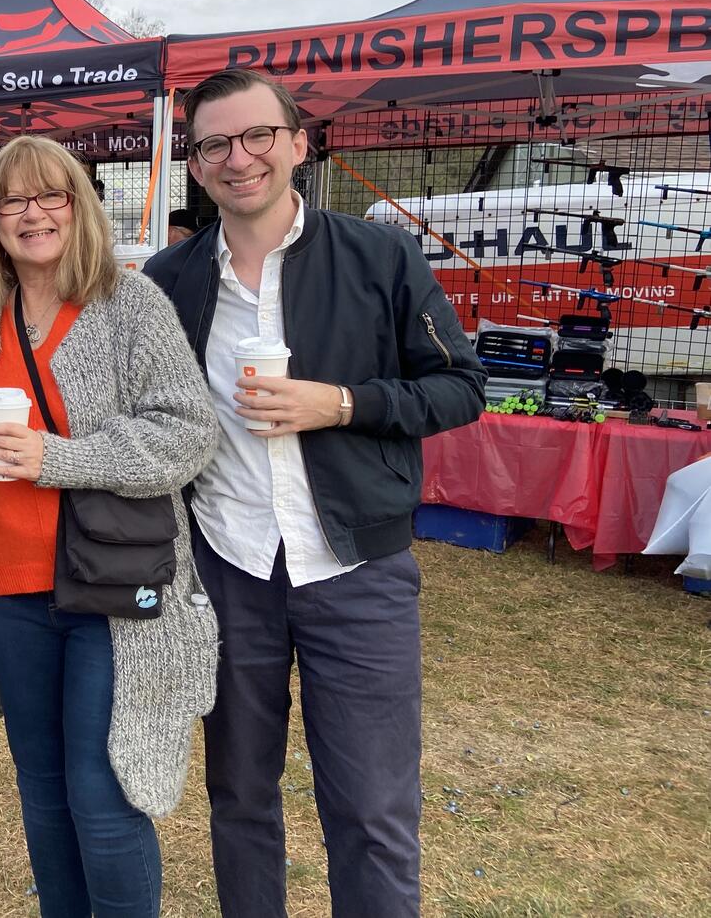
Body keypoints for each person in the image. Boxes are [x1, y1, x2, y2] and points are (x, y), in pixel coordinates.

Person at [143, 68, 486, 918]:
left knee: (372, 812)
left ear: (298, 143)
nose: (239, 157)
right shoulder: (168, 278)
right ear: (196, 164)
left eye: (258, 135)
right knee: (241, 798)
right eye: (216, 143)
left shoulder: (379, 257)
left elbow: (460, 387)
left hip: (357, 570)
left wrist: (339, 403)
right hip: (227, 569)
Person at [0, 135, 219, 916]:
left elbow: (188, 431)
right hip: (9, 592)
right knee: (44, 792)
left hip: (108, 590)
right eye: (13, 200)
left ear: (79, 205)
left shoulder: (129, 304)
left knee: (104, 797)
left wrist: (56, 457)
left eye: (50, 195)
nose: (32, 213)